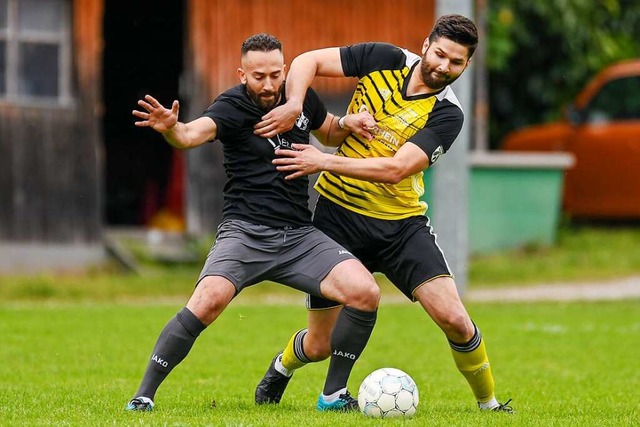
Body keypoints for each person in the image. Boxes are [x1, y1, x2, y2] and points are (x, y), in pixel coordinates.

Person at [253, 15, 513, 413]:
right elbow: (306, 61)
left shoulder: (447, 114)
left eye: (456, 62)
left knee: (456, 320)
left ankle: (490, 406)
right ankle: (282, 367)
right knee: (319, 343)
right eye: (440, 53)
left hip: (400, 228)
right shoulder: (383, 58)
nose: (444, 66)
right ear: (426, 44)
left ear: (466, 65)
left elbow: (396, 170)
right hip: (336, 219)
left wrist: (324, 161)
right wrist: (292, 104)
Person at [125, 33, 381, 412]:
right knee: (207, 302)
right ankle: (143, 396)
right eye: (258, 76)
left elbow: (327, 130)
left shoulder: (300, 96)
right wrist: (171, 129)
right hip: (245, 232)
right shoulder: (232, 105)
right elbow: (192, 134)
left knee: (365, 292)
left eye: (275, 74)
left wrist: (349, 121)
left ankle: (332, 395)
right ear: (242, 73)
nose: (268, 84)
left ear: (284, 67)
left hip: (299, 236)